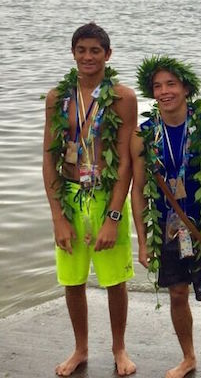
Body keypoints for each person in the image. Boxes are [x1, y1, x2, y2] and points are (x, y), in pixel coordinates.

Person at [130, 56, 201, 378]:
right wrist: (143, 242)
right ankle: (189, 357)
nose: (165, 91)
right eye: (158, 86)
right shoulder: (144, 135)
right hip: (167, 231)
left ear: (186, 88)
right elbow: (137, 190)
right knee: (177, 294)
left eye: (171, 84)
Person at [42, 22, 137, 377]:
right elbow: (48, 158)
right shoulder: (57, 98)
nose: (88, 57)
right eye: (81, 50)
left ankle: (119, 348)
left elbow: (126, 161)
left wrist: (113, 216)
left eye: (95, 50)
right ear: (73, 53)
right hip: (68, 194)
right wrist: (57, 216)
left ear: (107, 55)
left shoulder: (122, 98)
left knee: (115, 281)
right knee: (72, 280)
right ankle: (80, 348)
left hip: (105, 193)